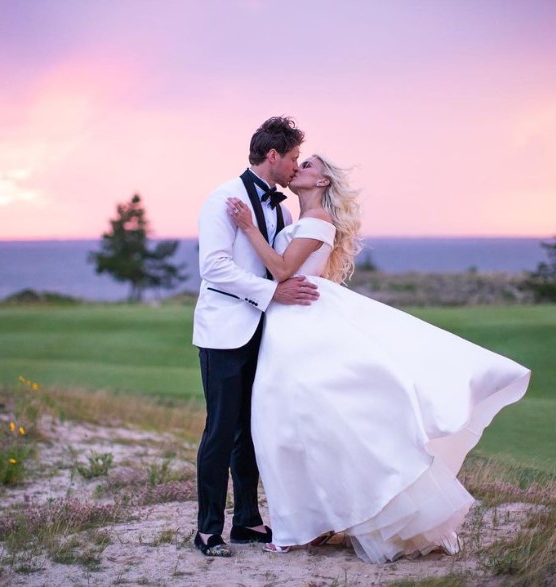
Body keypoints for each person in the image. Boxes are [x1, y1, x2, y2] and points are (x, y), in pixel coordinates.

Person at [226, 153, 531, 563]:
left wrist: (246, 227)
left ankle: (299, 526)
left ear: (323, 182)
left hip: (302, 328)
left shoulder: (318, 221)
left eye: (310, 164)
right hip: (288, 328)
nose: (300, 167)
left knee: (290, 424)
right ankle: (310, 522)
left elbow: (282, 270)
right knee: (290, 427)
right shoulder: (296, 221)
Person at [192, 116, 320, 558]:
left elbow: (275, 260)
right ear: (273, 156)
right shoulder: (222, 198)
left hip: (263, 332)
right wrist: (273, 292)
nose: (294, 167)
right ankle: (208, 529)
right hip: (223, 332)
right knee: (220, 430)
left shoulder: (281, 208)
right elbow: (214, 267)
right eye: (293, 159)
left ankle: (246, 520)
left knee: (251, 431)